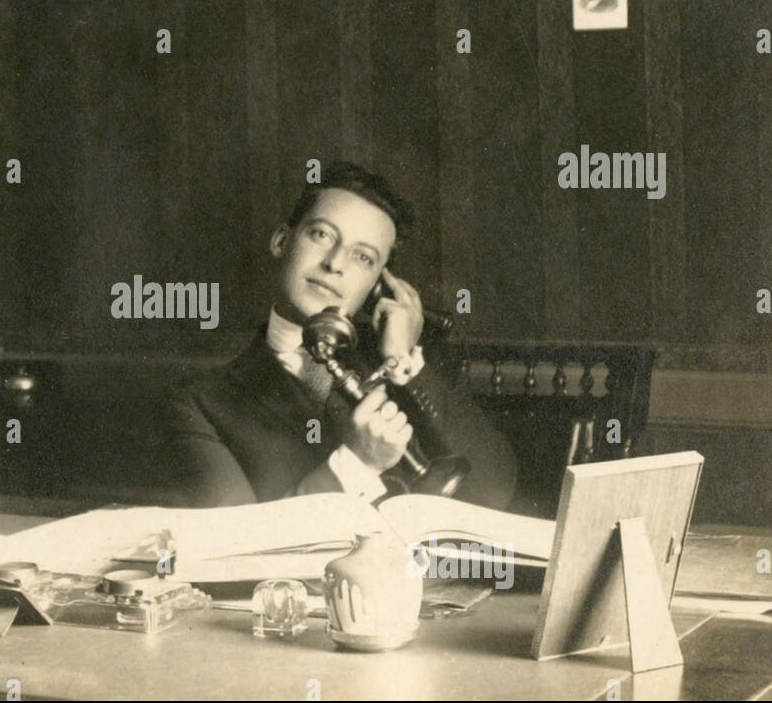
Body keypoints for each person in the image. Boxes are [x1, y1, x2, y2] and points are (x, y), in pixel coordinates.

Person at [158, 161, 515, 509]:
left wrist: (404, 364)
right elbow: (234, 551)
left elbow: (493, 492)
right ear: (282, 241)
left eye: (363, 257)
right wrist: (356, 465)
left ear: (377, 286)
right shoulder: (199, 406)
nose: (335, 264)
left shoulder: (411, 366)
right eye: (322, 235)